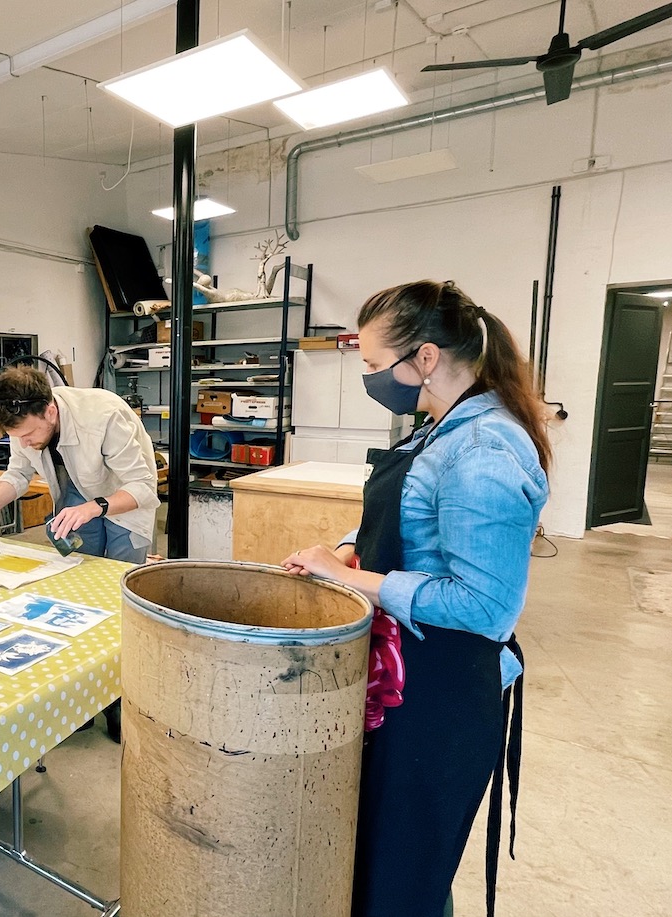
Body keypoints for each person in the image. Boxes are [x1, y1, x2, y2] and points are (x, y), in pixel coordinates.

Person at [280, 280, 549, 917]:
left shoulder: (484, 450)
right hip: (402, 679)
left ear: (424, 359)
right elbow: (405, 515)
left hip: (442, 694)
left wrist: (350, 580)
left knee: (406, 879)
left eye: (374, 366)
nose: (372, 378)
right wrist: (347, 548)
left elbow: (485, 608)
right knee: (383, 862)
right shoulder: (436, 428)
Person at [0, 364, 159, 741]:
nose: (27, 442)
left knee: (118, 607)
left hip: (122, 503)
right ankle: (81, 699)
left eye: (30, 434)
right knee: (76, 600)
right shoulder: (24, 423)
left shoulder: (106, 415)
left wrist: (93, 507)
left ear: (50, 411)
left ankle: (120, 705)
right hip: (75, 501)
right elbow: (17, 475)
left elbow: (145, 488)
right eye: (19, 437)